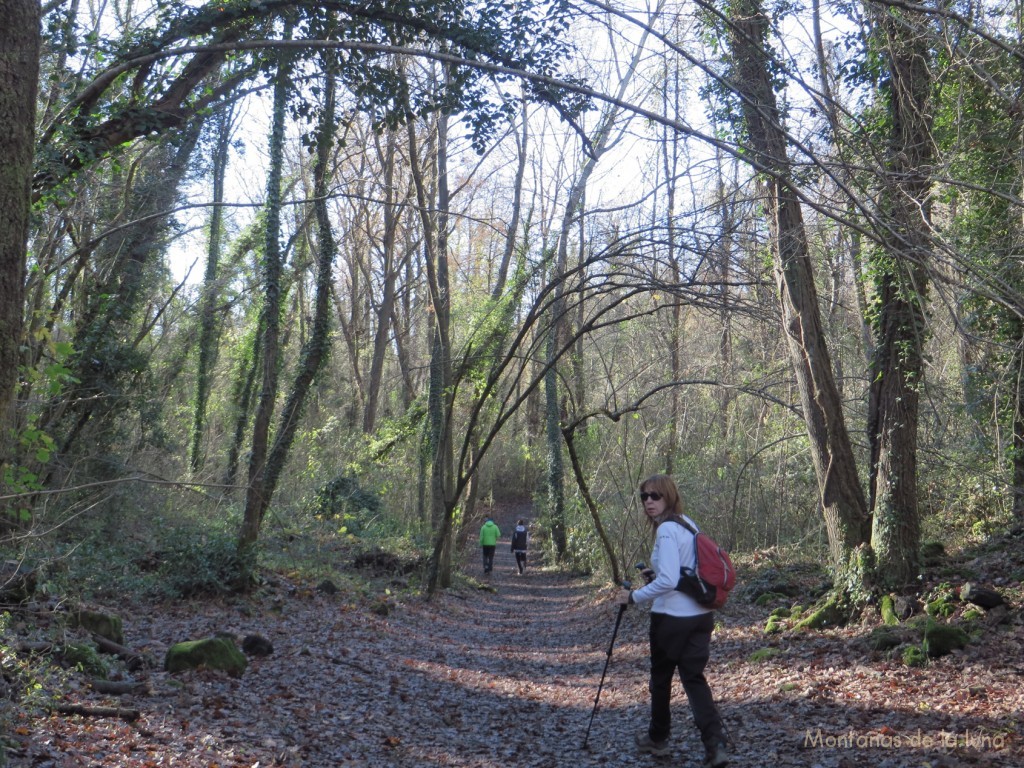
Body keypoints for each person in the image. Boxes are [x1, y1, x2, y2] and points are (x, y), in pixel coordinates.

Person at [615, 474, 728, 767]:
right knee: (694, 680)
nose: (649, 502)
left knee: (661, 680)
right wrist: (657, 579)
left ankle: (658, 739)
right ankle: (716, 745)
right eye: (644, 497)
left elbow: (668, 579)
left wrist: (633, 597)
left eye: (656, 496)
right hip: (701, 617)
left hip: (671, 619)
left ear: (669, 497)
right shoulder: (688, 524)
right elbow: (683, 573)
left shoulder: (666, 530)